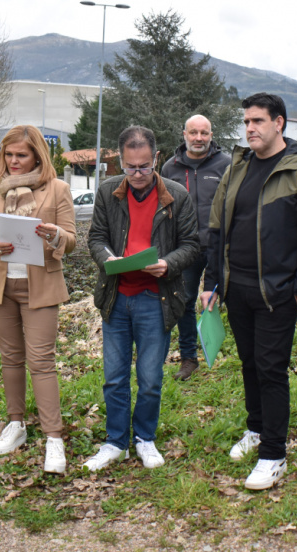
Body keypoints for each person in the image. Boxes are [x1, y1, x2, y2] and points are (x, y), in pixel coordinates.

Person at [202, 93, 297, 490]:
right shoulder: (237, 167)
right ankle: (256, 429)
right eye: (246, 122)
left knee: (272, 369)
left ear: (280, 123)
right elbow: (217, 229)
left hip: (277, 293)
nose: (250, 128)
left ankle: (273, 454)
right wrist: (212, 283)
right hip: (236, 288)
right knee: (249, 364)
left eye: (258, 121)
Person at [84, 125, 198, 472]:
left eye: (144, 167)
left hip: (156, 299)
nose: (136, 174)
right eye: (130, 167)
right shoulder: (107, 192)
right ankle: (115, 441)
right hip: (116, 298)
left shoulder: (176, 196)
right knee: (114, 377)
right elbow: (96, 238)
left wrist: (167, 264)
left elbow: (192, 245)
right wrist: (108, 260)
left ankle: (144, 438)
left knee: (150, 378)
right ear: (120, 160)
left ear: (156, 159)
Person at [0, 125, 76, 475]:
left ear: (37, 156)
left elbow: (72, 238)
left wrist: (55, 234)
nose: (14, 161)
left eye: (22, 155)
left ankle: (53, 438)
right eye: (9, 154)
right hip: (0, 285)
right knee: (10, 358)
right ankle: (15, 424)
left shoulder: (57, 189)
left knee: (41, 360)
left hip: (40, 285)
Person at [160, 114, 230, 381]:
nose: (199, 138)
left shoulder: (226, 165)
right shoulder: (169, 168)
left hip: (219, 247)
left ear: (211, 135)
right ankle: (189, 358)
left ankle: (223, 347)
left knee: (225, 298)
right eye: (193, 132)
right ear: (184, 134)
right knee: (186, 301)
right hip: (185, 247)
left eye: (204, 133)